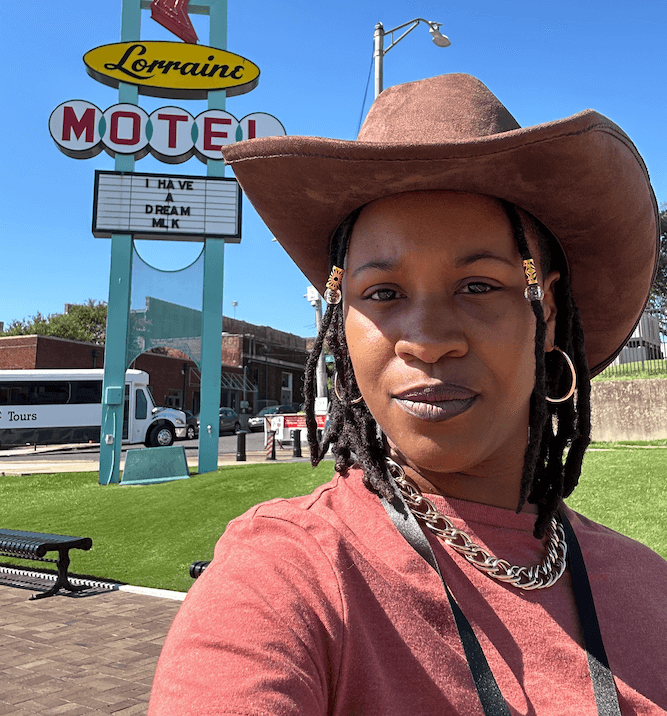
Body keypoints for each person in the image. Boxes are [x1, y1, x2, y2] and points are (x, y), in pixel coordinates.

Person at [148, 74, 667, 715]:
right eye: (384, 294)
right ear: (342, 325)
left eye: (478, 286)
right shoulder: (289, 577)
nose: (426, 341)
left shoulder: (651, 589)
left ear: (549, 310)